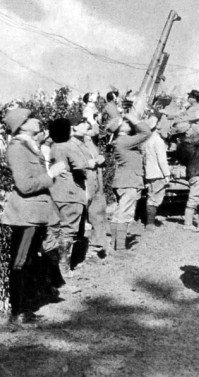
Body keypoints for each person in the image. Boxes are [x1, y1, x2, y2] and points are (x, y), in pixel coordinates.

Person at [2, 108, 67, 326]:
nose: (36, 120)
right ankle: (17, 312)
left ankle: (25, 308)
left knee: (28, 262)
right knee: (20, 263)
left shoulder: (30, 146)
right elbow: (25, 185)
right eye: (30, 119)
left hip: (36, 214)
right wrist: (51, 174)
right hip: (26, 216)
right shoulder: (18, 148)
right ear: (21, 125)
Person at [46, 118, 88, 277]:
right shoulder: (69, 147)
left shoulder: (53, 146)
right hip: (70, 192)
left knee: (55, 228)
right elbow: (80, 167)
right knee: (68, 230)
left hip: (55, 191)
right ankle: (64, 268)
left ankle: (53, 268)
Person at [110, 113, 152, 254]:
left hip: (123, 181)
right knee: (125, 213)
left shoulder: (121, 141)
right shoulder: (124, 140)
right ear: (120, 128)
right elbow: (146, 132)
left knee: (118, 213)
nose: (131, 124)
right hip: (129, 182)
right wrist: (133, 117)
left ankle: (115, 245)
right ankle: (120, 248)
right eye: (127, 122)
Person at [69, 119, 108, 257]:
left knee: (97, 213)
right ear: (73, 127)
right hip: (82, 184)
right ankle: (77, 252)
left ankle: (95, 246)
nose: (87, 126)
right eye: (83, 123)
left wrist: (100, 158)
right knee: (79, 217)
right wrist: (87, 163)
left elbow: (94, 156)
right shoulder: (69, 144)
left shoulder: (87, 140)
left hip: (95, 182)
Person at [143, 115, 171, 230]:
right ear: (157, 125)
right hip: (158, 172)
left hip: (150, 172)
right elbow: (162, 160)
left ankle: (150, 221)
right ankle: (150, 223)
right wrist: (167, 174)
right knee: (155, 198)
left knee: (151, 195)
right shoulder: (158, 141)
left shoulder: (147, 139)